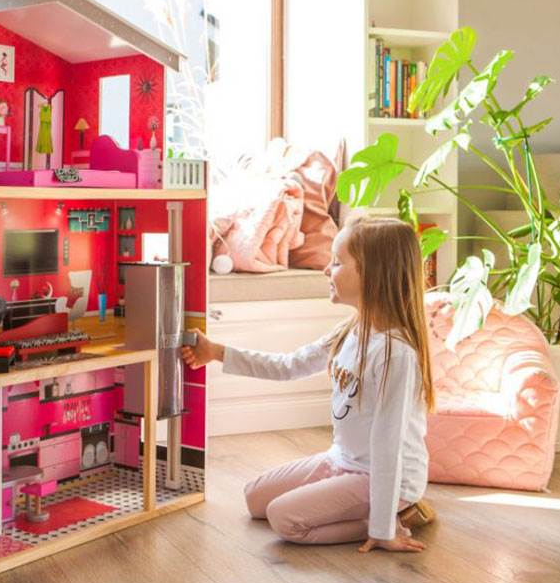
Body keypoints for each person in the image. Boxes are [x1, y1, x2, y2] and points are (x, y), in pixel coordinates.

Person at [182, 216, 436, 553]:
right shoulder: (351, 330)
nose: (326, 270)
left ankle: (392, 518)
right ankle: (374, 512)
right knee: (255, 498)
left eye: (337, 262)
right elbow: (289, 366)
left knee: (284, 519)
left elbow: (388, 445)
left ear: (373, 275)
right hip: (343, 460)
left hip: (385, 476)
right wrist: (216, 352)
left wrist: (382, 528)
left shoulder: (395, 354)